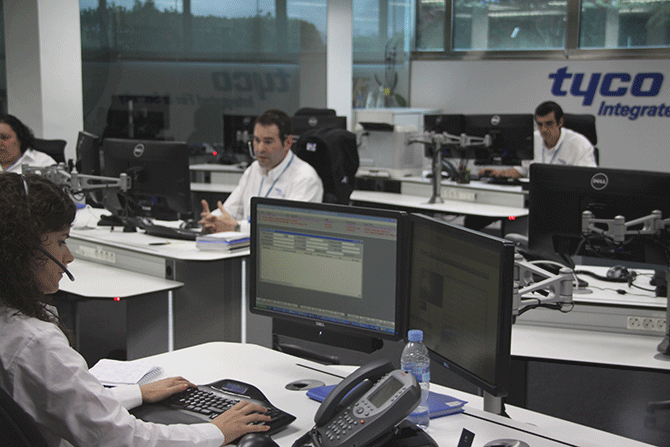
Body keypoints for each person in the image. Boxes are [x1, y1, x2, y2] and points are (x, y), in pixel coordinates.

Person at [0, 173, 272, 446]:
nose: (68, 256)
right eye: (61, 241)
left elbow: (65, 402)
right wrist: (217, 431)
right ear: (24, 248)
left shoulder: (12, 328)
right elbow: (123, 439)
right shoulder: (36, 344)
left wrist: (136, 393)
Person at [199, 109, 323, 234]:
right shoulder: (254, 169)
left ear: (287, 143)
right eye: (257, 140)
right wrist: (213, 220)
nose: (260, 148)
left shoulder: (305, 178)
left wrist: (237, 227)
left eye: (268, 142)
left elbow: (286, 229)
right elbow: (230, 210)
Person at [478, 101, 597, 179]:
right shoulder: (532, 139)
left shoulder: (579, 145)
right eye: (540, 124)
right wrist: (501, 173)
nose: (543, 129)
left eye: (549, 124)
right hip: (534, 196)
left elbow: (588, 178)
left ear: (560, 122)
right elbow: (523, 170)